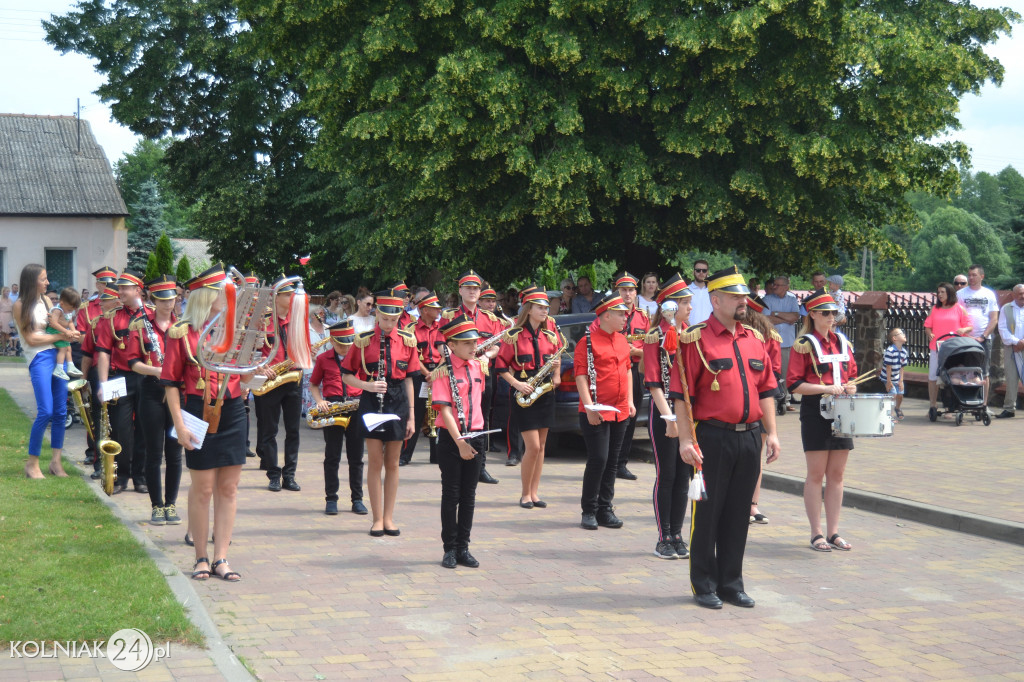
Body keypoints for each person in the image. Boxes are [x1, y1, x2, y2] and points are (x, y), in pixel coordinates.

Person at [673, 266, 779, 609]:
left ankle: (731, 583)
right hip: (712, 437)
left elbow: (766, 390)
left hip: (749, 436)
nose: (742, 301)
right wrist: (685, 441)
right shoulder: (695, 338)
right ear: (715, 299)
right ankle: (703, 583)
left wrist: (772, 433)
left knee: (737, 514)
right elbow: (682, 395)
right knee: (708, 513)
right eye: (734, 296)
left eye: (744, 296)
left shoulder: (754, 338)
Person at [162, 265, 249, 582]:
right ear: (207, 297)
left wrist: (256, 373)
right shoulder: (181, 333)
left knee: (228, 488)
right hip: (197, 410)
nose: (229, 297)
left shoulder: (234, 332)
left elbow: (244, 375)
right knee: (202, 489)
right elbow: (171, 384)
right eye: (223, 292)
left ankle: (221, 557)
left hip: (234, 409)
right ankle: (201, 557)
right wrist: (179, 426)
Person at [341, 289, 419, 536]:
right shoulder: (363, 340)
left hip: (397, 401)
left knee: (393, 463)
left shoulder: (408, 341)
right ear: (377, 315)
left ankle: (389, 518)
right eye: (385, 319)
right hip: (371, 400)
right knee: (375, 461)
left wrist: (412, 417)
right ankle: (376, 518)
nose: (389, 324)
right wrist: (367, 385)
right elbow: (347, 375)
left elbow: (409, 380)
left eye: (394, 320)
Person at [788, 289, 857, 554]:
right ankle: (816, 533)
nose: (832, 318)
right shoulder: (804, 344)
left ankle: (834, 532)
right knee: (816, 475)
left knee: (837, 475)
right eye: (826, 313)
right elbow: (794, 384)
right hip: (815, 411)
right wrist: (825, 388)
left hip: (843, 410)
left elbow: (852, 375)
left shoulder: (842, 341)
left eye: (834, 313)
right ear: (812, 314)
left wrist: (850, 387)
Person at [429, 314, 487, 568]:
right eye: (467, 343)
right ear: (451, 344)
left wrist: (471, 440)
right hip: (454, 439)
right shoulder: (443, 370)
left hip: (476, 435)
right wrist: (461, 443)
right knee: (451, 494)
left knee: (469, 495)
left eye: (475, 342)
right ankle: (449, 548)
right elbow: (445, 411)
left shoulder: (478, 367)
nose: (474, 347)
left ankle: (464, 547)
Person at [497, 289, 564, 509]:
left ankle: (535, 493)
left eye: (546, 307)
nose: (545, 311)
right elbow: (500, 367)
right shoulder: (513, 335)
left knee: (542, 446)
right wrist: (516, 384)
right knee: (533, 446)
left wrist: (556, 375)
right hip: (523, 394)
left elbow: (557, 357)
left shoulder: (550, 335)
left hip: (544, 394)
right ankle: (525, 494)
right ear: (529, 309)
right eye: (540, 307)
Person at [441, 270, 509, 484]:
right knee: (455, 415)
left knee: (481, 418)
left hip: (482, 372)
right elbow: (441, 345)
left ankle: (480, 466)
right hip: (457, 374)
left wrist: (486, 356)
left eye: (476, 288)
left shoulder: (490, 319)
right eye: (468, 288)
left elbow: (498, 344)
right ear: (460, 290)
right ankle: (455, 458)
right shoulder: (449, 317)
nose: (472, 291)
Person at [642, 274, 692, 559]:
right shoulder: (655, 336)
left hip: (687, 413)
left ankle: (677, 533)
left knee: (684, 474)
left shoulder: (690, 334)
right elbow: (653, 382)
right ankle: (664, 536)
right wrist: (670, 418)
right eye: (685, 304)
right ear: (671, 308)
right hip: (666, 414)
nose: (689, 309)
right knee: (668, 474)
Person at [575, 293, 634, 530]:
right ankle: (588, 509)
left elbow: (628, 370)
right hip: (596, 409)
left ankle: (604, 508)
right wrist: (589, 408)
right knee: (598, 458)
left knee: (612, 461)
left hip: (619, 408)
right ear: (606, 316)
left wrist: (629, 400)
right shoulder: (587, 341)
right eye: (620, 314)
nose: (625, 317)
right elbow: (581, 375)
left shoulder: (621, 340)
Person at [13, 264, 77, 478]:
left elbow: (57, 322)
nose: (48, 282)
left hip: (57, 356)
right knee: (46, 411)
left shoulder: (46, 300)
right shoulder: (20, 305)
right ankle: (32, 464)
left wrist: (69, 331)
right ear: (32, 281)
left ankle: (56, 463)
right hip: (39, 357)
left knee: (60, 412)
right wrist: (61, 336)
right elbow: (31, 339)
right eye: (43, 279)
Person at [129, 275, 183, 525]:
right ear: (153, 299)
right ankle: (156, 505)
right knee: (154, 451)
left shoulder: (183, 325)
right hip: (151, 390)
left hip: (177, 393)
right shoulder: (140, 325)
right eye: (162, 300)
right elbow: (133, 363)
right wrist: (157, 371)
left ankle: (171, 503)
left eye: (171, 299)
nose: (168, 305)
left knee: (175, 451)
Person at [95, 270, 149, 494]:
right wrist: (103, 383)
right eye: (119, 289)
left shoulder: (152, 316)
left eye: (125, 288)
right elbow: (104, 352)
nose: (120, 292)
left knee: (146, 428)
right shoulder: (112, 317)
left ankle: (141, 476)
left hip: (147, 378)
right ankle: (122, 477)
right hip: (120, 378)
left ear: (138, 290)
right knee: (120, 428)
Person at [309, 319, 367, 515]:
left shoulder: (359, 357)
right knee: (332, 456)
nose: (345, 347)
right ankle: (331, 498)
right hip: (333, 408)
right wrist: (319, 401)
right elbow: (314, 384)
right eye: (341, 344)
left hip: (355, 406)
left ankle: (357, 499)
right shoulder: (324, 358)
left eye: (348, 343)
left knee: (356, 457)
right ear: (332, 341)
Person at [255, 277, 304, 492]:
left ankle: (290, 475)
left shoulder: (297, 319)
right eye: (287, 294)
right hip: (270, 381)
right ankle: (273, 474)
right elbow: (252, 352)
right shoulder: (262, 321)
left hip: (293, 378)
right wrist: (260, 367)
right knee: (269, 430)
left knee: (293, 430)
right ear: (276, 297)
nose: (291, 298)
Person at [743, 293, 783, 526]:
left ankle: (750, 505)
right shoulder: (770, 335)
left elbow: (773, 372)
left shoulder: (768, 337)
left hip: (759, 398)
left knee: (754, 455)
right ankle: (751, 505)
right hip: (756, 398)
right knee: (755, 456)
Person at [399, 291, 445, 466]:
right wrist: (427, 374)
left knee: (437, 413)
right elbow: (411, 356)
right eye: (435, 308)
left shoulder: (441, 328)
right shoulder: (411, 329)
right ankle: (405, 455)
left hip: (438, 373)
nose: (439, 310)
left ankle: (436, 455)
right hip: (420, 374)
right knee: (416, 414)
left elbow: (446, 352)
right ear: (424, 310)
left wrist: (437, 372)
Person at [614, 272, 649, 481]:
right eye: (624, 290)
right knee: (613, 416)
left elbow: (649, 345)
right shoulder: (611, 313)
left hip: (635, 370)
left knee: (631, 417)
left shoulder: (643, 318)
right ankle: (610, 461)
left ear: (636, 292)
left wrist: (635, 351)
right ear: (618, 292)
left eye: (631, 290)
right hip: (615, 370)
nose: (627, 294)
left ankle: (621, 463)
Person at [923, 282, 972, 419]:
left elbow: (969, 326)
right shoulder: (934, 309)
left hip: (954, 348)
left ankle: (952, 407)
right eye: (938, 292)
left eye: (942, 292)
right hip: (936, 348)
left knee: (953, 377)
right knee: (933, 376)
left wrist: (963, 329)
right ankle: (933, 405)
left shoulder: (959, 309)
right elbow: (927, 325)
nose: (939, 295)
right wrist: (929, 333)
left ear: (949, 293)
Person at [956, 265, 999, 407]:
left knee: (984, 372)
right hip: (965, 339)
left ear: (982, 276)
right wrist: (966, 334)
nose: (971, 278)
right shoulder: (961, 294)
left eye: (974, 275)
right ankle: (966, 401)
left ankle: (984, 404)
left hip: (984, 339)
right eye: (969, 275)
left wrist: (984, 335)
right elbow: (957, 316)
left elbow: (994, 318)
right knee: (965, 370)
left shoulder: (989, 294)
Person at [764, 276, 800, 411]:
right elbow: (766, 319)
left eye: (778, 285)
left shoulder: (791, 299)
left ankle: (785, 400)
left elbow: (795, 317)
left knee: (785, 373)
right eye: (774, 284)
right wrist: (786, 318)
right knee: (769, 372)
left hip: (787, 341)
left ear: (786, 287)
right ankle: (768, 398)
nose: (774, 287)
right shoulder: (767, 299)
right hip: (770, 342)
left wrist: (776, 313)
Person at [996, 284, 1024, 419]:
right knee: (1011, 378)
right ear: (1013, 295)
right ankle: (1009, 408)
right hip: (1011, 349)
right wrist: (1016, 342)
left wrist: (1022, 342)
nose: (1022, 296)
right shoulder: (1006, 309)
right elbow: (1002, 328)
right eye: (1020, 293)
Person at [46, 287, 84, 381]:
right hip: (54, 332)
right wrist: (66, 331)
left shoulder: (67, 310)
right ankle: (59, 368)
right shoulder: (58, 310)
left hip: (62, 331)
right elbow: (53, 323)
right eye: (70, 309)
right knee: (63, 348)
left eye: (73, 310)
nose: (71, 311)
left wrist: (73, 330)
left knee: (69, 347)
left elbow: (70, 322)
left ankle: (70, 365)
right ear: (62, 303)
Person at [301, 304, 330, 416]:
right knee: (311, 390)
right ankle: (312, 415)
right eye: (320, 313)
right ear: (313, 316)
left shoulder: (328, 329)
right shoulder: (305, 329)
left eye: (324, 313)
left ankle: (324, 414)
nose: (323, 316)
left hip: (326, 366)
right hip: (311, 367)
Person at [880, 327, 909, 421]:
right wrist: (888, 382)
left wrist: (901, 380)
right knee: (893, 394)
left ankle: (897, 407)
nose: (904, 334)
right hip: (888, 377)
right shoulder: (890, 351)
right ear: (894, 338)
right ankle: (889, 413)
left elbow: (902, 367)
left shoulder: (904, 352)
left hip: (897, 377)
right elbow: (888, 367)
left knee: (900, 394)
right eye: (901, 333)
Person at [0, 286, 13, 355]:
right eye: (6, 291)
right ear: (3, 292)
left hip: (9, 316)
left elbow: (13, 310)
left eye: (8, 291)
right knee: (3, 334)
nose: (8, 292)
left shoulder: (10, 300)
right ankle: (4, 348)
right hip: (2, 316)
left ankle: (9, 348)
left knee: (8, 334)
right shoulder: (0, 300)